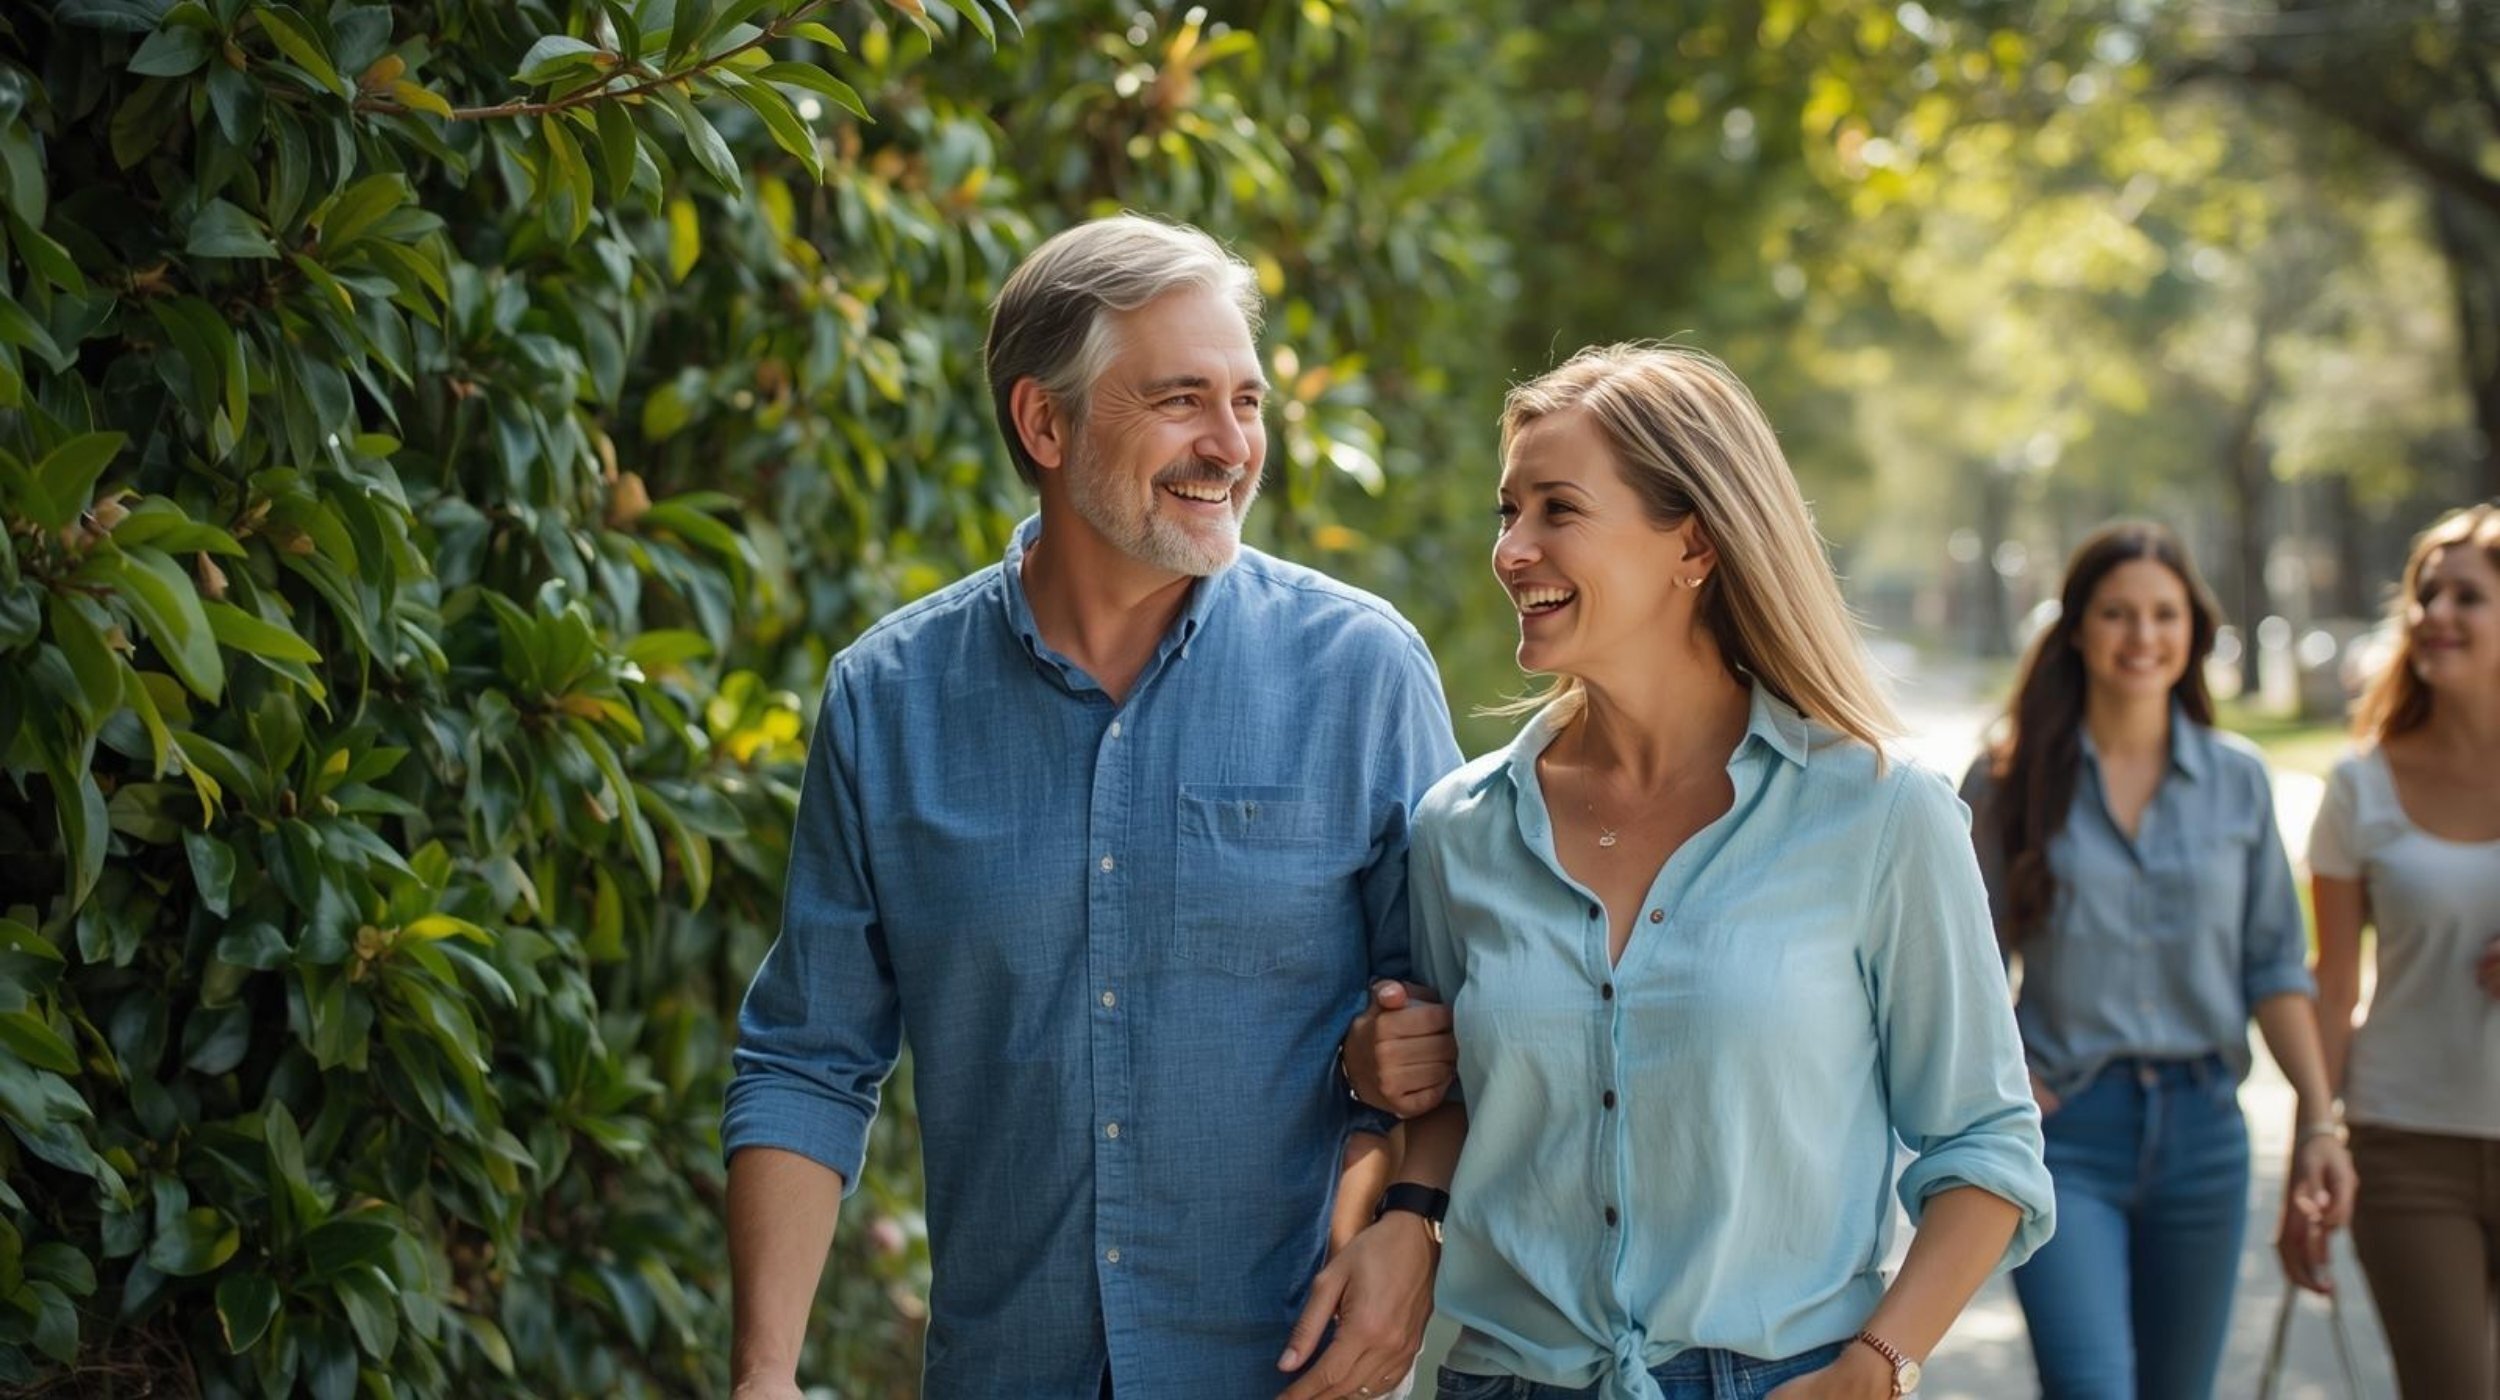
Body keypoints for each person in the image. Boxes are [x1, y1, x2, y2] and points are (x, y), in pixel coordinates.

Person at [719, 215, 1463, 1400]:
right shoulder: (888, 699)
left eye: (1249, 401)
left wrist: (1412, 1223)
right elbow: (808, 1058)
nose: (1231, 446)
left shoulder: (1361, 674)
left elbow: (1464, 1016)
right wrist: (764, 1370)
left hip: (1287, 1375)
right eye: (1182, 399)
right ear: (1044, 422)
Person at [1351, 343, 2054, 1400]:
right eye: (1508, 511)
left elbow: (1986, 1142)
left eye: (1556, 509)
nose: (1511, 548)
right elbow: (1451, 1099)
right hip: (1504, 1376)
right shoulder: (1462, 826)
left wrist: (1874, 1367)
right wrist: (1384, 1079)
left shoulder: (1876, 810)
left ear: (1692, 544)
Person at [1960, 520, 2357, 1400]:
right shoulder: (2006, 778)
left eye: (2164, 615)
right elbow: (1962, 969)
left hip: (2204, 1136)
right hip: (2066, 1137)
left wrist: (2321, 1124)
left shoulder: (2238, 779)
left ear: (2195, 631)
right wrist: (2008, 1070)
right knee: (2091, 1385)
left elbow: (2275, 967)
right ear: (2076, 629)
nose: (2142, 636)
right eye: (2117, 613)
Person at [2308, 502, 2500, 1398]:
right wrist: (2317, 1139)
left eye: (2468, 596)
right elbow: (2334, 983)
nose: (2437, 614)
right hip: (2407, 1146)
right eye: (2427, 594)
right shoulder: (2361, 786)